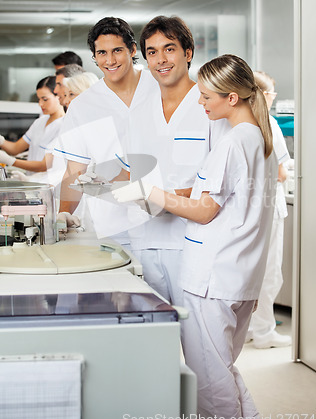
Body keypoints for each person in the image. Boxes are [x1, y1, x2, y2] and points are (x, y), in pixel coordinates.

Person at [113, 54, 278, 419]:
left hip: (213, 277)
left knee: (210, 379)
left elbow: (205, 210)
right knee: (222, 369)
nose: (200, 103)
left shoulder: (234, 142)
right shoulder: (259, 140)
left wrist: (148, 191)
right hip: (239, 275)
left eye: (206, 97)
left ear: (231, 98)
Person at [124, 15, 230, 306]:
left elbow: (225, 180)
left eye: (169, 48)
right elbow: (135, 173)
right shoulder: (139, 112)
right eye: (152, 52)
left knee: (198, 345)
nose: (161, 59)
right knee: (155, 339)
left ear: (188, 53)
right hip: (145, 240)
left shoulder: (211, 107)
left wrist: (167, 197)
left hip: (194, 242)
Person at [54, 16, 160, 238]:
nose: (110, 60)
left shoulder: (160, 87)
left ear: (132, 50)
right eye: (102, 53)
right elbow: (75, 171)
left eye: (117, 51)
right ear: (94, 57)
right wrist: (64, 212)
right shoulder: (83, 106)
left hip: (167, 218)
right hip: (114, 225)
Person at [246, 71, 292, 348]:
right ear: (263, 94)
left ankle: (252, 328)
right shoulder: (268, 122)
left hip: (249, 209)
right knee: (270, 272)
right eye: (272, 93)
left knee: (252, 271)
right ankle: (264, 331)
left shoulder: (239, 121)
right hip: (269, 208)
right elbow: (281, 174)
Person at [0, 76, 64, 180]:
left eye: (45, 99)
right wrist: (1, 141)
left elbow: (45, 165)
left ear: (58, 96)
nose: (40, 104)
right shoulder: (40, 122)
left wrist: (11, 161)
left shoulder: (64, 126)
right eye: (39, 99)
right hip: (32, 182)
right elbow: (15, 148)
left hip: (48, 184)